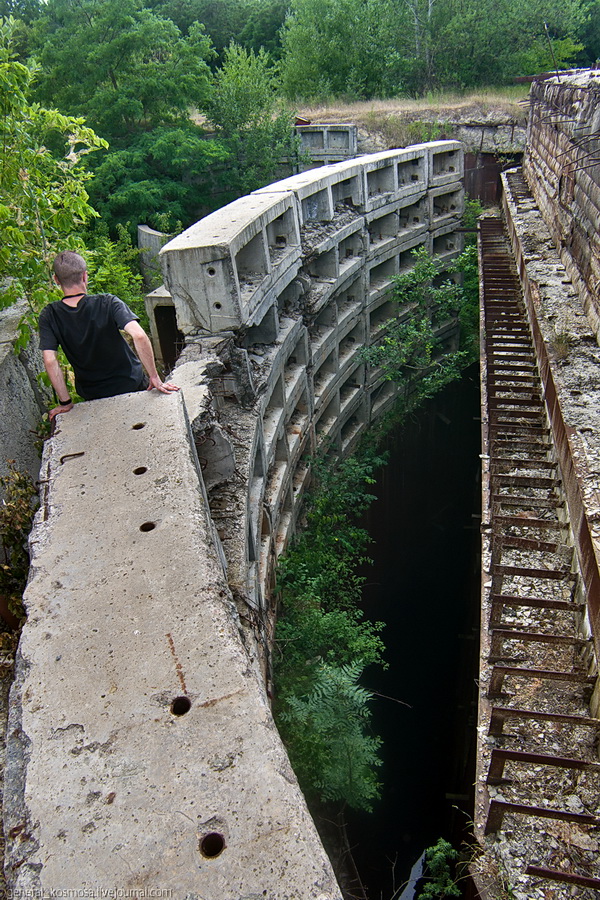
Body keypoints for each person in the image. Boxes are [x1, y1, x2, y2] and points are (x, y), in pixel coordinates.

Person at [39, 251, 179, 420]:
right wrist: (154, 377)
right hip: (131, 384)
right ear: (85, 276)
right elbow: (139, 336)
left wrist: (65, 402)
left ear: (56, 280)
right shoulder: (107, 302)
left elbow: (50, 360)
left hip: (93, 395)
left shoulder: (49, 314)